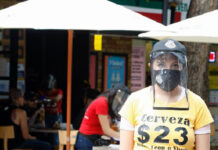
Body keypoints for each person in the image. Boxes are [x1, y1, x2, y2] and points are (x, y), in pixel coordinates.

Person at [119, 39, 214, 150]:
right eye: (161, 64)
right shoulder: (135, 100)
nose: (167, 70)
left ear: (182, 67)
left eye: (175, 65)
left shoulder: (197, 104)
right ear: (151, 66)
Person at [75, 83, 131, 150]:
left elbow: (106, 128)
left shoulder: (104, 102)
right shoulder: (102, 103)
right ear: (115, 95)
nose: (120, 101)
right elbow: (106, 130)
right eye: (120, 97)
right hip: (86, 140)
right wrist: (125, 137)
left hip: (90, 138)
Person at [38, 74, 64, 145]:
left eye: (51, 81)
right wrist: (45, 98)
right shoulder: (43, 92)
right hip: (45, 116)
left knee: (56, 138)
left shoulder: (58, 91)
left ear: (54, 82)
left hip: (56, 116)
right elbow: (38, 100)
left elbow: (57, 99)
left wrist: (45, 98)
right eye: (48, 81)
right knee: (45, 135)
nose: (49, 83)